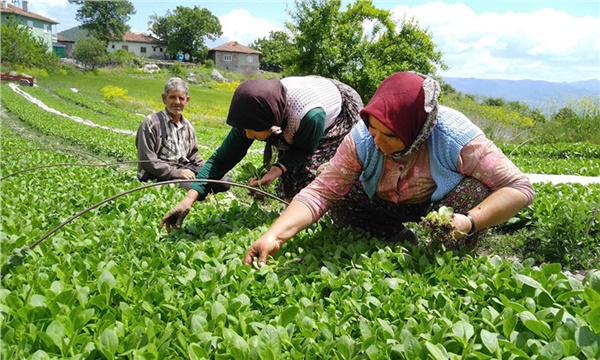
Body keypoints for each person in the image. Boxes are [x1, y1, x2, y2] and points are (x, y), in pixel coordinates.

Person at [243, 71, 535, 267]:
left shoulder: (454, 136)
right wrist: (275, 235)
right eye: (374, 130)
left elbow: (519, 188)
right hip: (382, 203)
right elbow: (320, 193)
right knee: (340, 194)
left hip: (440, 210)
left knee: (476, 191)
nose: (379, 142)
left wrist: (469, 222)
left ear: (417, 130)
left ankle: (448, 253)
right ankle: (394, 235)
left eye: (391, 136)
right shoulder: (361, 138)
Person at [159, 76, 364, 232]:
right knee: (290, 182)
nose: (247, 135)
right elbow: (222, 159)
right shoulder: (256, 111)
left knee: (312, 173)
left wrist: (277, 170)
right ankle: (294, 216)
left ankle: (330, 220)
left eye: (252, 131)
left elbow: (302, 151)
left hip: (338, 109)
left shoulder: (310, 117)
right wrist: (189, 199)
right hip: (298, 105)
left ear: (272, 122)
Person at [135, 77, 231, 192]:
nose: (177, 102)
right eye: (172, 97)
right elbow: (148, 161)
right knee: (194, 188)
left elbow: (194, 157)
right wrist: (177, 172)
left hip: (185, 169)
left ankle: (200, 191)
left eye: (181, 98)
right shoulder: (151, 123)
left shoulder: (187, 126)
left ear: (187, 100)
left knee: (223, 182)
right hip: (159, 175)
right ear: (164, 99)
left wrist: (209, 170)